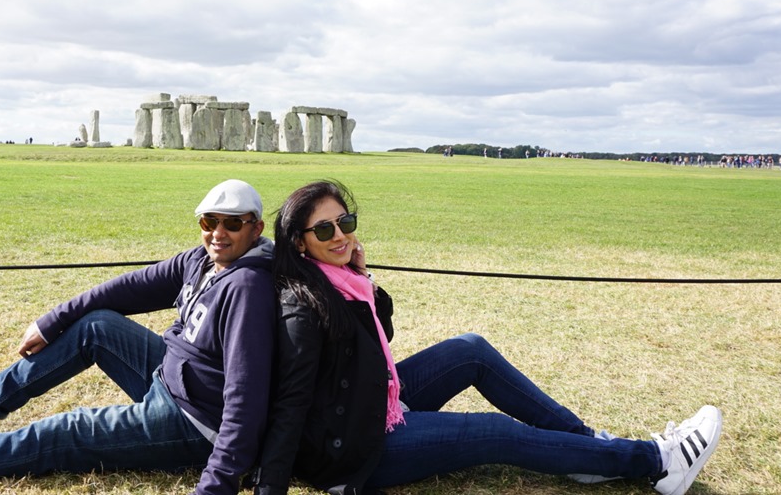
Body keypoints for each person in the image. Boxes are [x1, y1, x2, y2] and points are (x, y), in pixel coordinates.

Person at [251, 180, 721, 495]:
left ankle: (587, 450)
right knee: (495, 433)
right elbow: (292, 401)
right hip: (351, 448)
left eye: (346, 222)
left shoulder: (339, 280)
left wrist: (364, 279)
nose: (340, 235)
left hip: (370, 402)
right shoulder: (302, 303)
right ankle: (658, 461)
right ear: (299, 241)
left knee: (469, 350)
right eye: (325, 229)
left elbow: (378, 341)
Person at [0, 179, 276, 495]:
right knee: (97, 323)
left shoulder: (248, 288)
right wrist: (51, 321)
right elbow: (126, 288)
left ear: (255, 228)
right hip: (169, 377)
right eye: (208, 221)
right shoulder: (201, 260)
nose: (218, 233)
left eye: (232, 223)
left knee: (61, 434)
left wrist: (219, 481)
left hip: (194, 420)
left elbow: (246, 395)